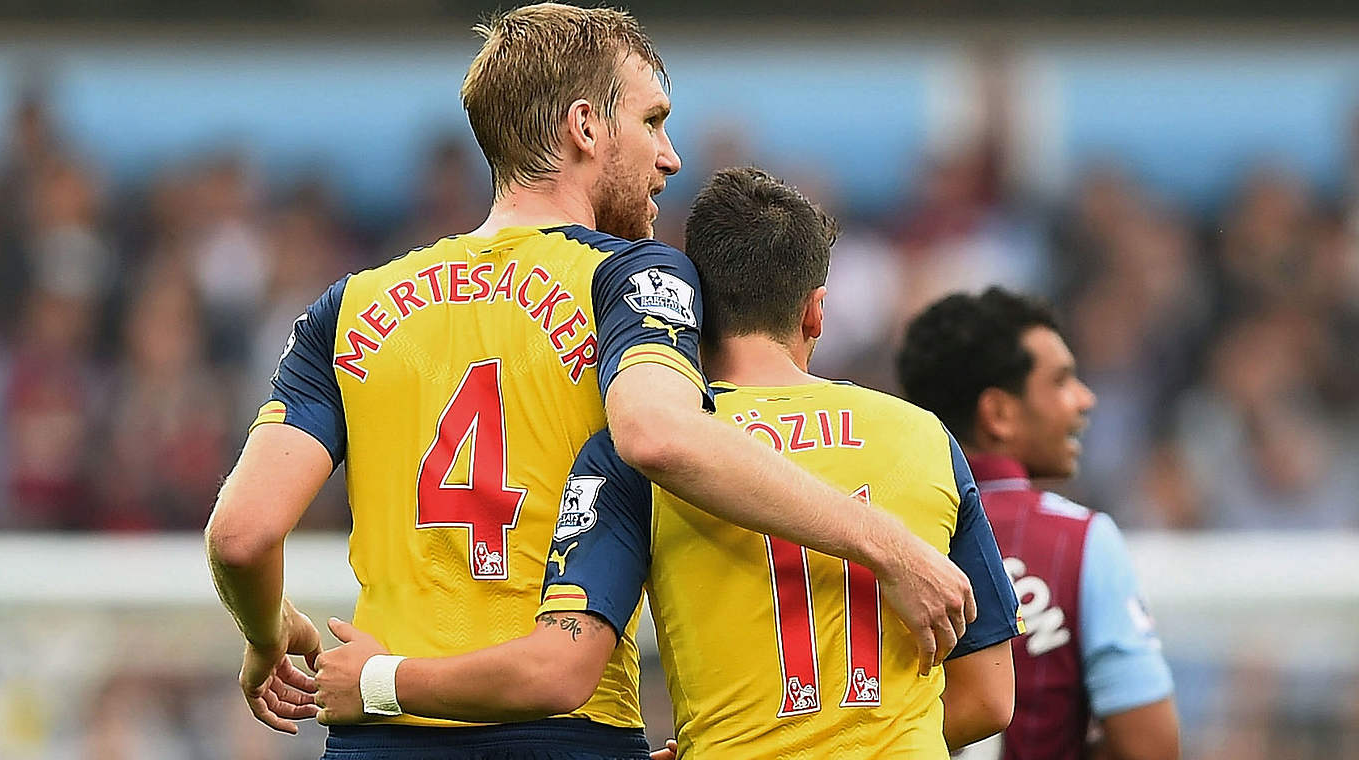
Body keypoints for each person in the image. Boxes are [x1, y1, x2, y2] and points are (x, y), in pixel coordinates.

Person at [204, 4, 975, 758]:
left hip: (379, 723)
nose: (669, 156)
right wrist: (886, 546)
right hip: (560, 725)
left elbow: (240, 536)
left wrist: (271, 633)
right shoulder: (629, 275)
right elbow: (658, 433)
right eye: (652, 121)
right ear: (585, 127)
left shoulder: (348, 307)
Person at [310, 167, 1023, 758]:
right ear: (816, 313)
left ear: (694, 314)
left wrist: (378, 682)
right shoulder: (924, 438)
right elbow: (991, 697)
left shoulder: (643, 458)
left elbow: (560, 667)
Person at [897, 287, 1180, 760]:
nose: (1084, 399)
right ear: (999, 413)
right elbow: (1152, 747)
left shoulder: (876, 529)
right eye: (1062, 381)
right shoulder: (1080, 542)